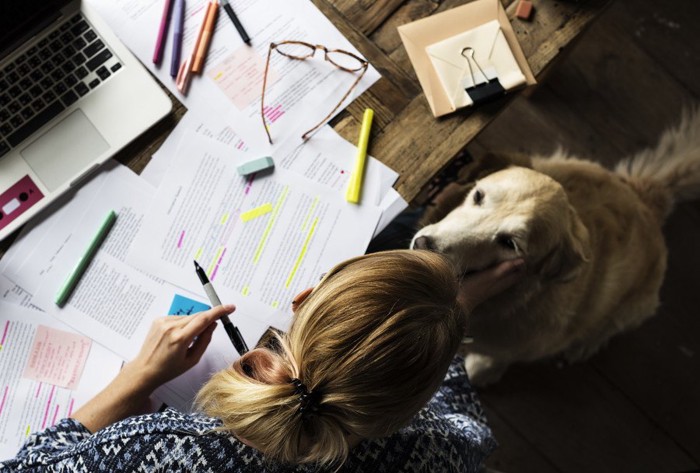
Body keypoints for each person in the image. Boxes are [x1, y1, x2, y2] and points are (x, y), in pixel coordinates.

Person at [0, 250, 524, 472]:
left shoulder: (159, 450)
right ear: (405, 406)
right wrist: (451, 319)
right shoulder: (436, 449)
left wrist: (135, 380)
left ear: (302, 298)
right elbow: (472, 429)